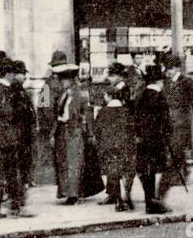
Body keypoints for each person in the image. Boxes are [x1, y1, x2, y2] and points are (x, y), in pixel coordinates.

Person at [50, 52, 103, 204]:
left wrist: (90, 133)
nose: (61, 82)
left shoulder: (79, 94)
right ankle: (68, 192)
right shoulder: (62, 93)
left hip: (74, 131)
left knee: (74, 162)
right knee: (65, 162)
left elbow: (86, 115)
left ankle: (73, 194)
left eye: (64, 80)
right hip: (63, 130)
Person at [0, 60, 31, 219]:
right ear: (9, 74)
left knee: (5, 174)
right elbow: (7, 113)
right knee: (3, 174)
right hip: (4, 138)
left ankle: (6, 207)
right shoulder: (2, 91)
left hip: (2, 138)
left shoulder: (0, 90)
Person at [159, 51, 193, 197]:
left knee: (177, 147)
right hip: (168, 122)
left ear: (177, 68)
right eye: (166, 69)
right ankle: (181, 172)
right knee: (172, 149)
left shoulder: (186, 82)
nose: (168, 72)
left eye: (170, 69)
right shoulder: (165, 83)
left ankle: (180, 174)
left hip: (182, 122)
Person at [95, 61, 137, 211]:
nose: (110, 78)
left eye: (113, 75)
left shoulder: (126, 89)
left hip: (122, 130)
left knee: (119, 164)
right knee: (114, 164)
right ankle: (113, 194)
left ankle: (119, 195)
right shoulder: (114, 89)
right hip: (116, 130)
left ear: (120, 76)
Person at [135, 64, 173, 214]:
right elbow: (165, 121)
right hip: (156, 140)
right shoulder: (160, 97)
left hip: (141, 140)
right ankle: (152, 202)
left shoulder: (141, 96)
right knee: (153, 170)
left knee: (145, 171)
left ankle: (149, 200)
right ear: (159, 81)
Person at [8, 61, 37, 188]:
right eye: (22, 73)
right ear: (15, 74)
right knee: (20, 154)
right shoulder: (14, 90)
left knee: (25, 154)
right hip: (19, 128)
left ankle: (25, 179)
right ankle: (22, 180)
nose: (25, 77)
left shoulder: (21, 89)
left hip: (24, 128)